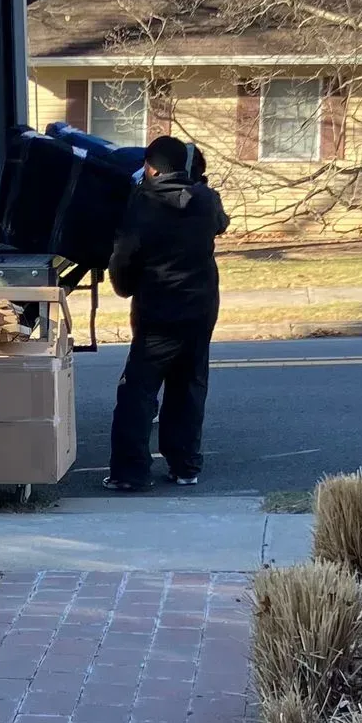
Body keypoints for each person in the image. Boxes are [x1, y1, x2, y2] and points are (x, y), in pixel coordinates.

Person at [103, 134, 230, 490]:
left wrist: (124, 287)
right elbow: (222, 223)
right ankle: (185, 466)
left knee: (138, 393)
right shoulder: (206, 200)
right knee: (188, 387)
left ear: (151, 168)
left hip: (158, 312)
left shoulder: (142, 204)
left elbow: (123, 257)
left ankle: (130, 473)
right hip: (201, 310)